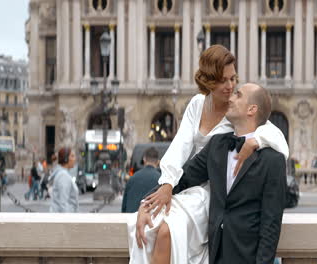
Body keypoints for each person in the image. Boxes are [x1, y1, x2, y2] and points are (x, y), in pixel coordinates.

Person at [127, 45, 288, 263]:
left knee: (166, 231)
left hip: (213, 192)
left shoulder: (241, 118)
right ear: (209, 81)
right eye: (224, 80)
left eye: (233, 80)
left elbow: (275, 136)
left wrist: (255, 141)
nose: (231, 87)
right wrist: (155, 195)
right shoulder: (199, 106)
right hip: (190, 184)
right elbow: (181, 149)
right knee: (156, 228)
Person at [122, 147, 161, 213]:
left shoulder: (132, 178)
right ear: (158, 162)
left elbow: (124, 207)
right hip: (153, 220)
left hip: (133, 220)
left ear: (144, 159)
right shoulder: (161, 180)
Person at [49, 147, 79, 213]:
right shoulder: (63, 176)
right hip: (66, 218)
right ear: (66, 159)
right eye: (72, 156)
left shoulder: (63, 174)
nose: (74, 159)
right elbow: (63, 203)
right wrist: (68, 221)